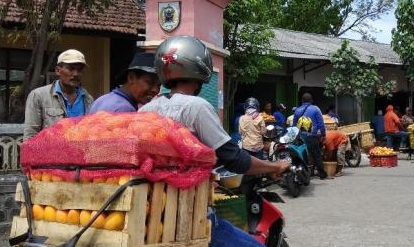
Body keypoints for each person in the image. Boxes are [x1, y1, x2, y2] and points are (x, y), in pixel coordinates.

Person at [138, 36, 289, 247]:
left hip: (152, 216)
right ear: (196, 67)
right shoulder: (196, 107)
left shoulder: (145, 110)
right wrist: (275, 165)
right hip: (191, 216)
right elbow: (234, 159)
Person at [24, 49, 93, 139]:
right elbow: (30, 135)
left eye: (79, 70)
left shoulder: (88, 99)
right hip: (49, 152)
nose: (76, 74)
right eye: (70, 69)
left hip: (80, 152)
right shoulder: (39, 96)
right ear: (57, 70)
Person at [89, 52, 160, 113]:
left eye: (159, 85)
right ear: (131, 78)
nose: (156, 90)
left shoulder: (101, 100)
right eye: (150, 82)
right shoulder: (125, 109)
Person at [292, 92, 329, 180]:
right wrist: (323, 135)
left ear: (302, 101)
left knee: (303, 156)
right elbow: (321, 124)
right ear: (311, 100)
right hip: (313, 136)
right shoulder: (315, 109)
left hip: (301, 137)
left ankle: (304, 174)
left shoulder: (297, 110)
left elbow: (294, 126)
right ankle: (322, 175)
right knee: (317, 155)